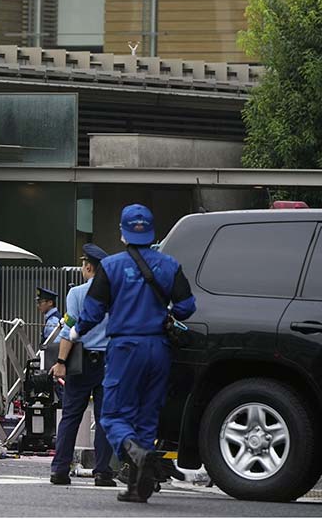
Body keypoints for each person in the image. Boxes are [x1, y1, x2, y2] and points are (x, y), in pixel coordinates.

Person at [73, 204, 197, 503]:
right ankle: (138, 487)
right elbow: (187, 307)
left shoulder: (111, 266)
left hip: (125, 348)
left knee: (114, 415)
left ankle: (137, 454)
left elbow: (92, 311)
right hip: (158, 348)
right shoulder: (170, 265)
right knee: (146, 416)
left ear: (123, 233)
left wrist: (76, 332)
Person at [50, 243, 115, 488]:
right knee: (105, 419)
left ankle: (59, 470)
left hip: (80, 361)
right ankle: (103, 472)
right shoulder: (115, 294)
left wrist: (60, 362)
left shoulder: (76, 293)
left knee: (70, 417)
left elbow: (69, 331)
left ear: (88, 267)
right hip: (109, 363)